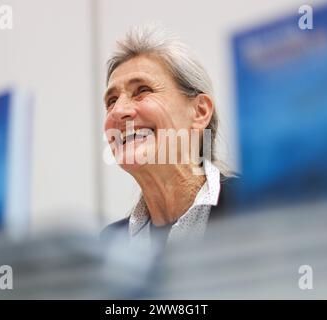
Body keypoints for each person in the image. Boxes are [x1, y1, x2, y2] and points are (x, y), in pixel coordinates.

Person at [101, 24, 237, 248]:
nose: (117, 111)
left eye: (142, 90)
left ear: (200, 111)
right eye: (111, 101)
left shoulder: (253, 207)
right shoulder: (110, 245)